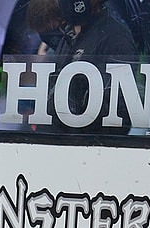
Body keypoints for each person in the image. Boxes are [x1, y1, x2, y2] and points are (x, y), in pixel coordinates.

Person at [27, 0, 139, 133]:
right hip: (56, 143)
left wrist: (79, 98)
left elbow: (118, 116)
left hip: (83, 146)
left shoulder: (114, 38)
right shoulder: (71, 34)